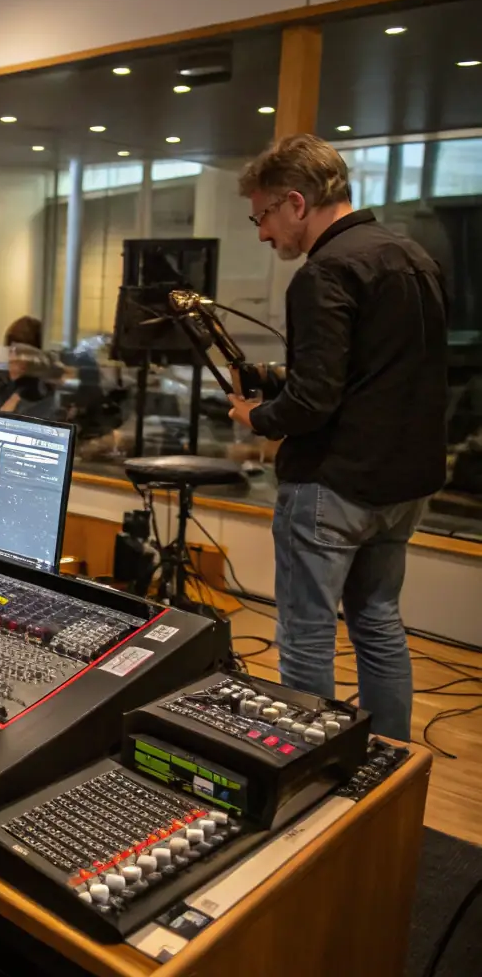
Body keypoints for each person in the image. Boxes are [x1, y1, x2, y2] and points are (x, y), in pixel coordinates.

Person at [228, 134, 448, 740]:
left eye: (263, 216)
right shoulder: (414, 257)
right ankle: (390, 764)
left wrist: (257, 416)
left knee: (306, 634)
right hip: (405, 486)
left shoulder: (324, 273)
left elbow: (313, 401)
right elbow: (386, 375)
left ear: (295, 202)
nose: (263, 234)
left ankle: (309, 777)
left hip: (334, 485)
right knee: (378, 622)